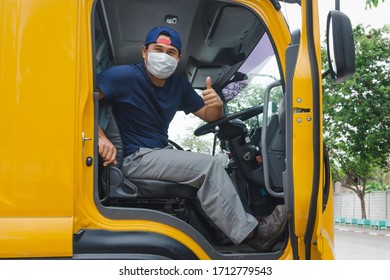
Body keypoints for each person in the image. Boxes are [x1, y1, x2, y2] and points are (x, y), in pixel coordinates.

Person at [97, 26, 287, 251]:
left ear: (178, 59)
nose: (163, 56)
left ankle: (223, 232)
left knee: (212, 166)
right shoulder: (124, 76)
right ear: (144, 52)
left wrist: (216, 106)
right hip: (134, 157)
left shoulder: (177, 84)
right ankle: (253, 234)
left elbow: (209, 116)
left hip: (156, 152)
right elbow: (79, 95)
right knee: (207, 166)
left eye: (170, 53)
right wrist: (98, 136)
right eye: (157, 49)